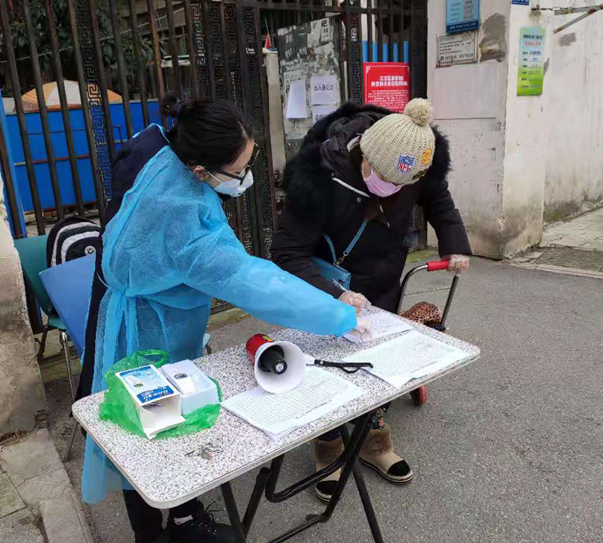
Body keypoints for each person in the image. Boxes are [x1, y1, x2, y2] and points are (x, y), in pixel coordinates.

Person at [78, 94, 372, 543]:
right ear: (200, 171)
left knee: (166, 421)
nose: (245, 176)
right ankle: (154, 533)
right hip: (146, 330)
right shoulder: (182, 216)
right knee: (149, 430)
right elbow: (250, 281)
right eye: (239, 170)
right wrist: (337, 315)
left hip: (139, 307)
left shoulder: (157, 148)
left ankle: (183, 516)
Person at [271, 98, 471, 502]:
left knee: (378, 361)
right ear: (364, 153)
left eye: (402, 184)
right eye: (382, 177)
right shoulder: (319, 177)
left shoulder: (418, 163)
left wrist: (454, 243)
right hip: (327, 285)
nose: (391, 188)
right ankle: (328, 447)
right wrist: (336, 294)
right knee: (327, 366)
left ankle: (373, 441)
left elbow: (438, 199)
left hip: (383, 277)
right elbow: (286, 252)